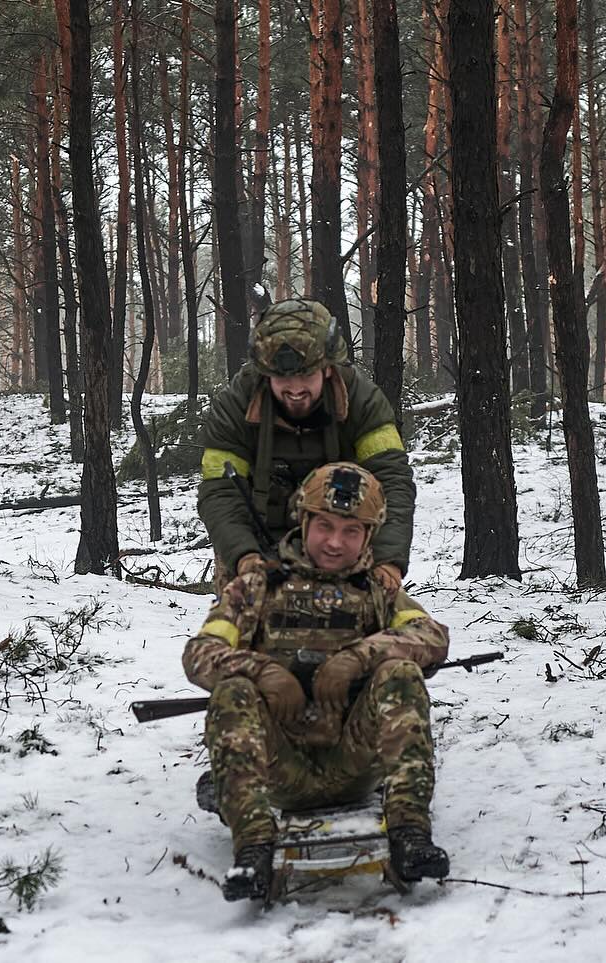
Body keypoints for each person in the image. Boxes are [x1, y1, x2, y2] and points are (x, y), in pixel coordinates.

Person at [182, 462, 451, 901]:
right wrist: (263, 671)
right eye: (324, 526)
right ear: (303, 520)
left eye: (351, 531)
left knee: (400, 674)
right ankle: (253, 846)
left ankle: (410, 834)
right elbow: (200, 653)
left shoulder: (377, 590)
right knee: (233, 691)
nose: (334, 542)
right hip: (279, 769)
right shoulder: (257, 586)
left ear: (369, 535)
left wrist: (359, 658)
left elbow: (432, 637)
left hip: (355, 762)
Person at [197, 298, 414, 595]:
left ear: (327, 369)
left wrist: (388, 562)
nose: (295, 388)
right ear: (265, 372)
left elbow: (392, 480)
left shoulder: (361, 400)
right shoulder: (236, 404)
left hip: (341, 537)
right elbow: (220, 490)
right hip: (257, 539)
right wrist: (244, 556)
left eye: (306, 375)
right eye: (283, 377)